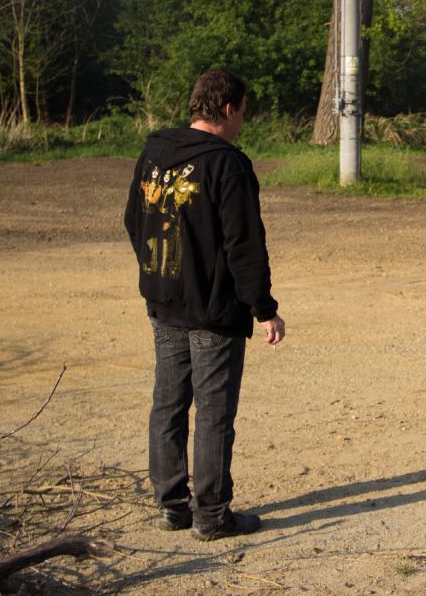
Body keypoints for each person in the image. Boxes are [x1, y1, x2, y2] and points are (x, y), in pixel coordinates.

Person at [124, 69, 286, 541]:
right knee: (213, 411)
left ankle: (173, 505)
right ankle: (211, 515)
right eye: (243, 111)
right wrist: (264, 308)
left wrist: (159, 273)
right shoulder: (227, 164)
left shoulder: (154, 152)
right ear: (229, 108)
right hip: (213, 310)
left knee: (168, 403)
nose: (243, 121)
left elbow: (134, 220)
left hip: (164, 299)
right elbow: (244, 245)